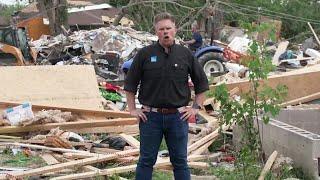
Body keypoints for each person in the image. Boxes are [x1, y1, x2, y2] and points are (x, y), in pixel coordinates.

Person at [124, 12, 209, 180]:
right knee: (146, 161)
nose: (165, 32)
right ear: (156, 31)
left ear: (175, 30)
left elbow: (202, 84)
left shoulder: (185, 54)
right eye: (161, 29)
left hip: (178, 118)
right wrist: (132, 109)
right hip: (150, 118)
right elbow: (130, 84)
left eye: (168, 28)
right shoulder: (145, 54)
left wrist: (195, 108)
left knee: (180, 162)